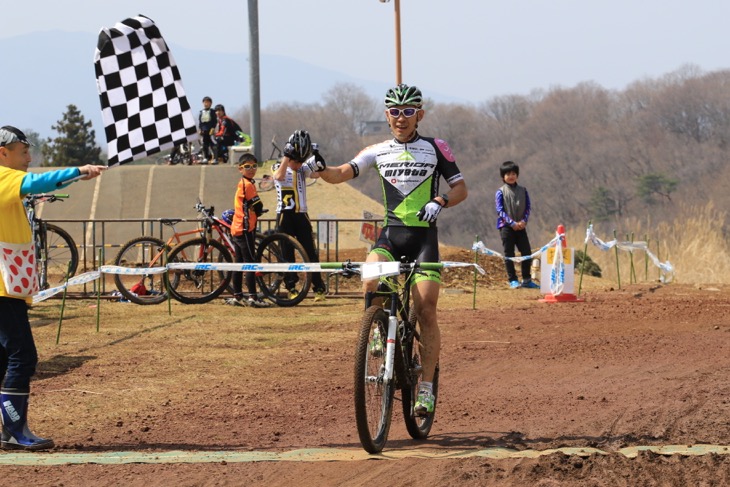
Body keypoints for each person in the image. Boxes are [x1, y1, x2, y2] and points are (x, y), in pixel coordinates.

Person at [315, 83, 468, 416]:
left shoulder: (436, 147)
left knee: (426, 309)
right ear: (387, 115)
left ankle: (425, 388)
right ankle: (378, 327)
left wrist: (440, 200)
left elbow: (461, 189)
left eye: (409, 112)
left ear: (420, 115)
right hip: (391, 236)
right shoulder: (378, 150)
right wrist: (318, 168)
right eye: (395, 112)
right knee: (369, 278)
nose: (402, 118)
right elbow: (341, 173)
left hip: (424, 239)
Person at [0, 125, 106, 450]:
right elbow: (36, 182)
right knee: (23, 357)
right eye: (24, 151)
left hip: (8, 288)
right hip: (3, 290)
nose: (29, 158)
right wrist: (79, 171)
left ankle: (10, 430)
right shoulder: (4, 177)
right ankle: (15, 432)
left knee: (6, 360)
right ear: (3, 153)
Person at [272, 130, 327, 302]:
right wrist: (287, 157)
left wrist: (317, 157)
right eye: (296, 161)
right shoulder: (278, 166)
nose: (298, 165)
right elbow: (278, 176)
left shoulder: (302, 169)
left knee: (310, 252)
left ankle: (318, 288)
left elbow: (317, 172)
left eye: (301, 161)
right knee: (286, 254)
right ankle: (291, 287)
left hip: (301, 215)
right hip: (284, 216)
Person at [223, 153, 270, 308]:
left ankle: (237, 295)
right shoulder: (248, 185)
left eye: (254, 166)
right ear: (240, 168)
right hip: (245, 230)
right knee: (250, 263)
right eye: (247, 167)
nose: (251, 169)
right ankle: (253, 297)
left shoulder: (244, 183)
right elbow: (258, 206)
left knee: (239, 263)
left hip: (237, 229)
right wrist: (258, 209)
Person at [495, 160, 539, 289]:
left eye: (513, 173)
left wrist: (523, 221)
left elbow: (528, 207)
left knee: (526, 252)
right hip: (506, 227)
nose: (511, 176)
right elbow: (500, 210)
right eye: (508, 174)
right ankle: (513, 280)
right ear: (503, 176)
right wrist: (512, 223)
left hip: (521, 226)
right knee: (509, 254)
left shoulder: (523, 190)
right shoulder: (500, 192)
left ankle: (526, 279)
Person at [198, 96, 217, 163]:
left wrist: (213, 128)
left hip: (210, 131)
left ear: (210, 103)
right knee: (204, 145)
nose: (206, 104)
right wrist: (200, 129)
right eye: (204, 102)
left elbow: (215, 121)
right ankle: (205, 158)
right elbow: (200, 122)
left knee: (213, 144)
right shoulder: (201, 112)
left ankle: (215, 158)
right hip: (204, 130)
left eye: (207, 102)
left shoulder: (212, 111)